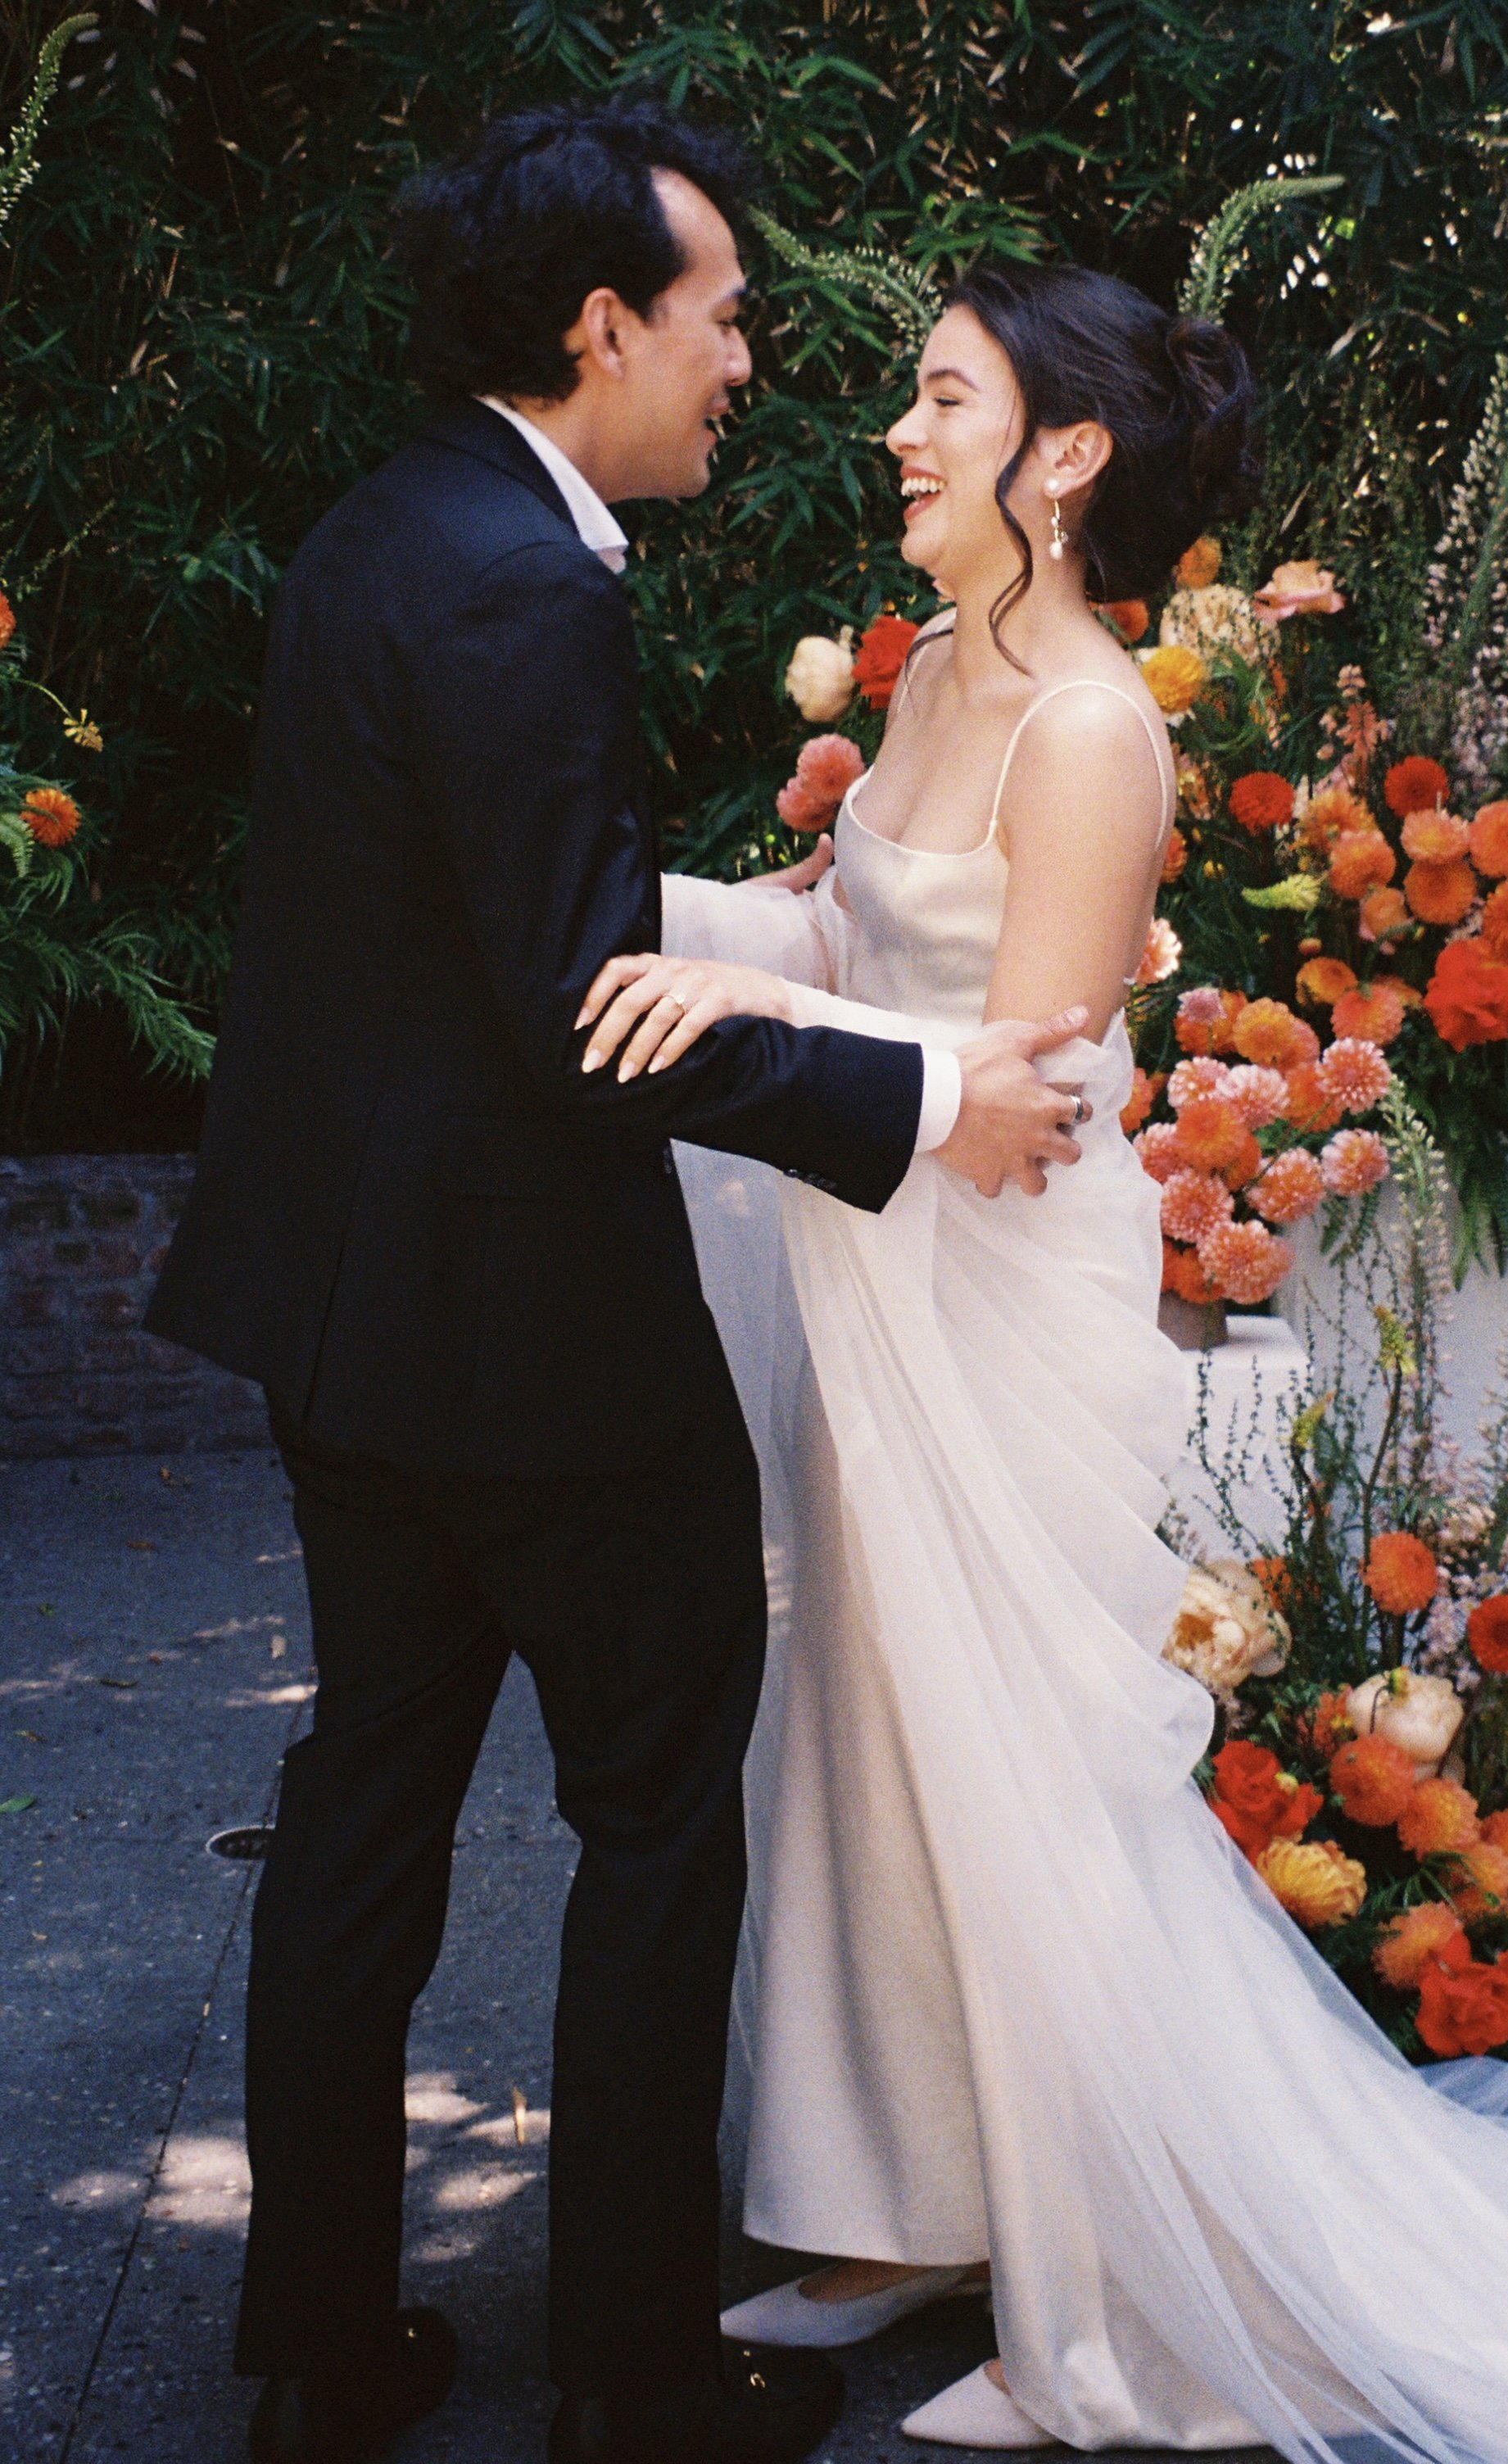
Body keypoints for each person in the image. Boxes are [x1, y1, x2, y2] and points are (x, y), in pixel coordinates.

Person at [580, 260, 1508, 2461]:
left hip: (990, 1269)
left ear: (1060, 456)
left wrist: (758, 1026)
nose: (894, 425)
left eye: (941, 394)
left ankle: (1120, 2290)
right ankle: (906, 2198)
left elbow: (1030, 1071)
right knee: (872, 1728)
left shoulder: (1084, 723)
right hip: (868, 1260)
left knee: (1020, 1756)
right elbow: (848, 923)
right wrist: (629, 926)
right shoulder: (948, 668)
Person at [146, 102, 1089, 2464]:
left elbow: (467, 933)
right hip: (540, 1348)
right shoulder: (527, 580)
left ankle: (317, 2359)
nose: (746, 364)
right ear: (604, 328)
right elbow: (581, 1008)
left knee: (363, 1811)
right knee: (659, 1820)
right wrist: (912, 1105)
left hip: (341, 1317)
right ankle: (640, 2379)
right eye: (723, 317)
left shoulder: (389, 524)